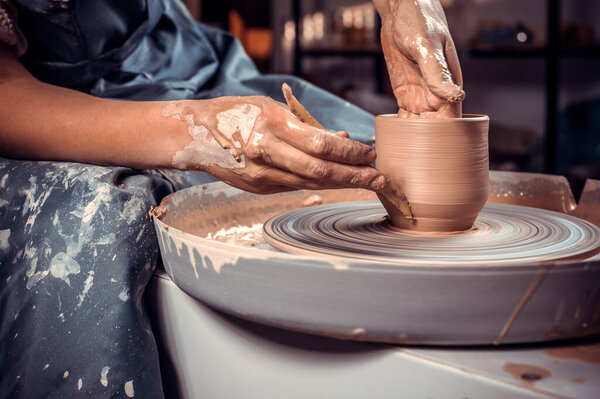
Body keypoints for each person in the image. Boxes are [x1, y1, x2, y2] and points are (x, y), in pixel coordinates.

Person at [0, 0, 463, 397]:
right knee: (104, 218)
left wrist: (404, 6)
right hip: (41, 108)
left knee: (371, 153)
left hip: (168, 54)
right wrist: (197, 132)